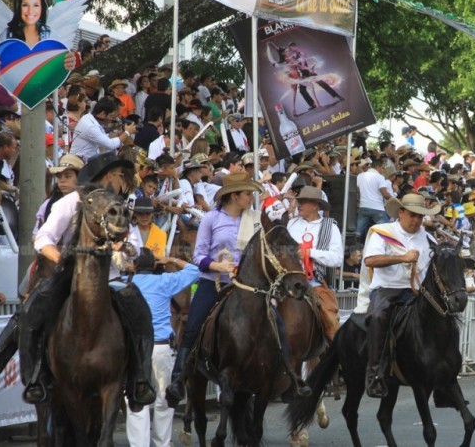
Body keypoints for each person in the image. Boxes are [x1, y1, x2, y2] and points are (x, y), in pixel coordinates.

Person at [0, 152, 155, 408]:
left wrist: (124, 248)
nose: (124, 182)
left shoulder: (118, 206)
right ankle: (34, 377)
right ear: (109, 176)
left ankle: (140, 379)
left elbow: (134, 245)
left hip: (111, 278)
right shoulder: (70, 202)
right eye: (121, 176)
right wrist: (62, 260)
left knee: (140, 312)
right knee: (30, 312)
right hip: (69, 276)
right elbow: (43, 238)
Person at [165, 172, 309, 407]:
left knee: (278, 324)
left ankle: (291, 377)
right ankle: (179, 378)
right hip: (213, 280)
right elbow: (198, 255)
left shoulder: (256, 219)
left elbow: (267, 250)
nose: (252, 198)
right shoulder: (211, 219)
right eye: (248, 194)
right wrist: (218, 266)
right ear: (234, 196)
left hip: (248, 285)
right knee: (194, 325)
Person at [363, 194, 439, 398]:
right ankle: (375, 374)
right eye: (413, 215)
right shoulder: (383, 232)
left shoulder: (428, 238)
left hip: (419, 292)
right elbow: (370, 260)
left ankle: (444, 372)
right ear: (401, 213)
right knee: (378, 316)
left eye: (420, 216)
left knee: (445, 317)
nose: (416, 220)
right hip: (388, 288)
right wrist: (402, 258)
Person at [124, 249, 199, 447]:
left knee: (135, 399)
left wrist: (124, 267)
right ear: (155, 265)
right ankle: (162, 443)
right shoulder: (164, 281)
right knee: (164, 400)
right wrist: (171, 259)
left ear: (134, 267)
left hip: (134, 351)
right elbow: (194, 271)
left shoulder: (124, 284)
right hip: (162, 348)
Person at [286, 186, 343, 342]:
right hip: (287, 278)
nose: (299, 205)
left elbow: (337, 258)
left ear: (316, 205)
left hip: (316, 280)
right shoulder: (291, 224)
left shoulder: (331, 227)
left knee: (328, 317)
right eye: (299, 201)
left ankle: (335, 348)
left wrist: (310, 253)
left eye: (303, 202)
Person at [69, 98, 137, 160]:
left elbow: (103, 138)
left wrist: (119, 133)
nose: (112, 120)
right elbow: (111, 145)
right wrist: (127, 132)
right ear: (103, 114)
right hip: (78, 162)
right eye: (111, 116)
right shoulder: (90, 126)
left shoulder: (89, 118)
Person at [356, 158, 392, 239]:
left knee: (357, 233)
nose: (383, 170)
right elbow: (384, 194)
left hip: (363, 207)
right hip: (377, 208)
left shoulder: (360, 176)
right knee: (387, 232)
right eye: (382, 167)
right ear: (378, 167)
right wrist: (394, 200)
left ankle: (354, 244)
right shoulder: (380, 177)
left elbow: (357, 191)